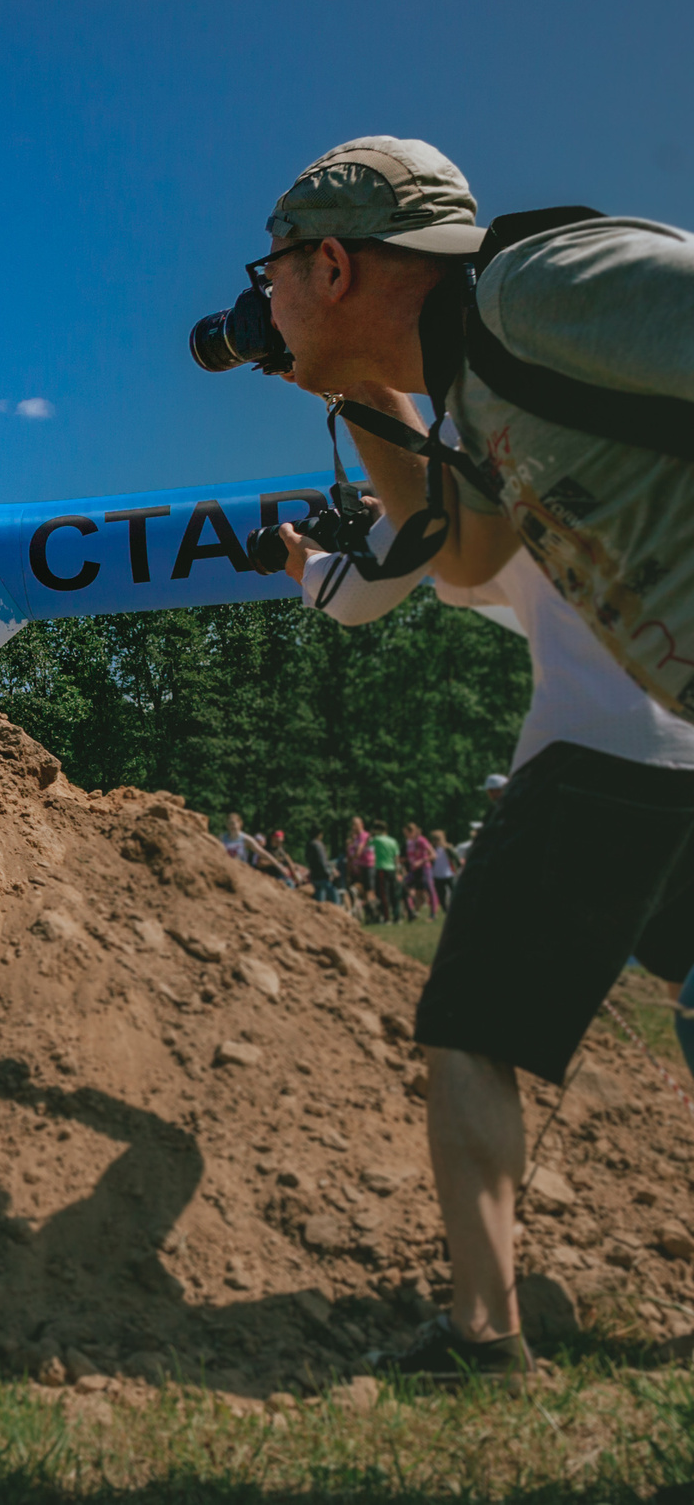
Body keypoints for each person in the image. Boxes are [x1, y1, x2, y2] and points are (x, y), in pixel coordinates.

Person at [292, 508, 694, 1383]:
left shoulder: (490, 421)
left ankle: (484, 1334)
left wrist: (306, 559)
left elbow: (366, 592)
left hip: (605, 745)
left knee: (471, 1033)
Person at [247, 135, 694, 726]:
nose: (269, 311)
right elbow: (457, 554)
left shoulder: (533, 292)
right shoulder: (478, 393)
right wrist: (356, 381)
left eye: (272, 279)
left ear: (332, 266)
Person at [402, 826, 436, 920]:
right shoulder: (409, 843)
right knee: (404, 886)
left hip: (424, 869)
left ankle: (433, 915)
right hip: (414, 870)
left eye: (406, 833)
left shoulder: (421, 840)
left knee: (430, 889)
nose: (405, 836)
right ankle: (413, 912)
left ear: (412, 831)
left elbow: (433, 855)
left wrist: (421, 861)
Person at [428, 826, 458, 916]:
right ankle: (446, 911)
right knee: (441, 895)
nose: (436, 841)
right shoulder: (431, 849)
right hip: (437, 875)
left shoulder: (448, 848)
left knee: (454, 892)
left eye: (438, 839)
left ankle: (455, 908)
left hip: (449, 874)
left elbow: (456, 858)